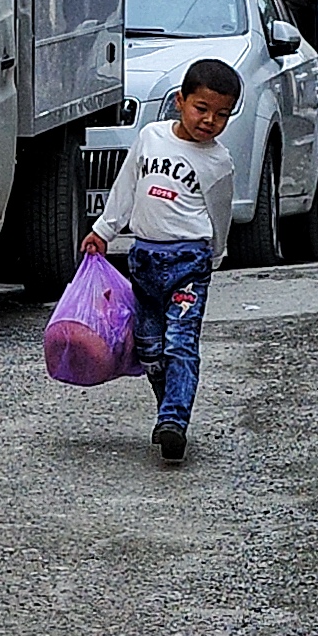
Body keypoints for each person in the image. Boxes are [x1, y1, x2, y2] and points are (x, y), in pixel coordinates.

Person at [80, 58, 240, 463]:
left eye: (221, 115)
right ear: (180, 101)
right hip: (145, 261)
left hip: (189, 262)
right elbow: (126, 186)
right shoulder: (151, 137)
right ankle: (167, 405)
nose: (209, 121)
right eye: (201, 109)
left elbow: (220, 212)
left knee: (181, 344)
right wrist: (104, 230)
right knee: (150, 348)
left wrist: (215, 253)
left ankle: (174, 421)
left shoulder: (219, 162)